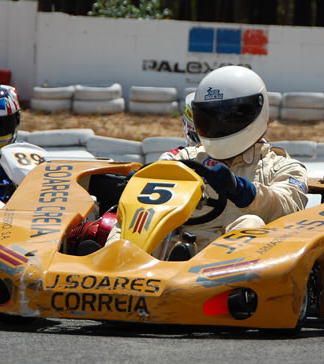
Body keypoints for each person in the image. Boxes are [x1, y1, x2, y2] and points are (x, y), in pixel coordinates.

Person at [109, 65, 309, 258]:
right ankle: (111, 264)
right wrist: (139, 184)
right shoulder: (184, 158)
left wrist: (241, 190)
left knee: (250, 222)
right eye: (209, 118)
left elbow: (288, 205)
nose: (218, 126)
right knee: (134, 221)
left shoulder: (284, 166)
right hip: (175, 251)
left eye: (228, 117)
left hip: (231, 262)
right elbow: (153, 185)